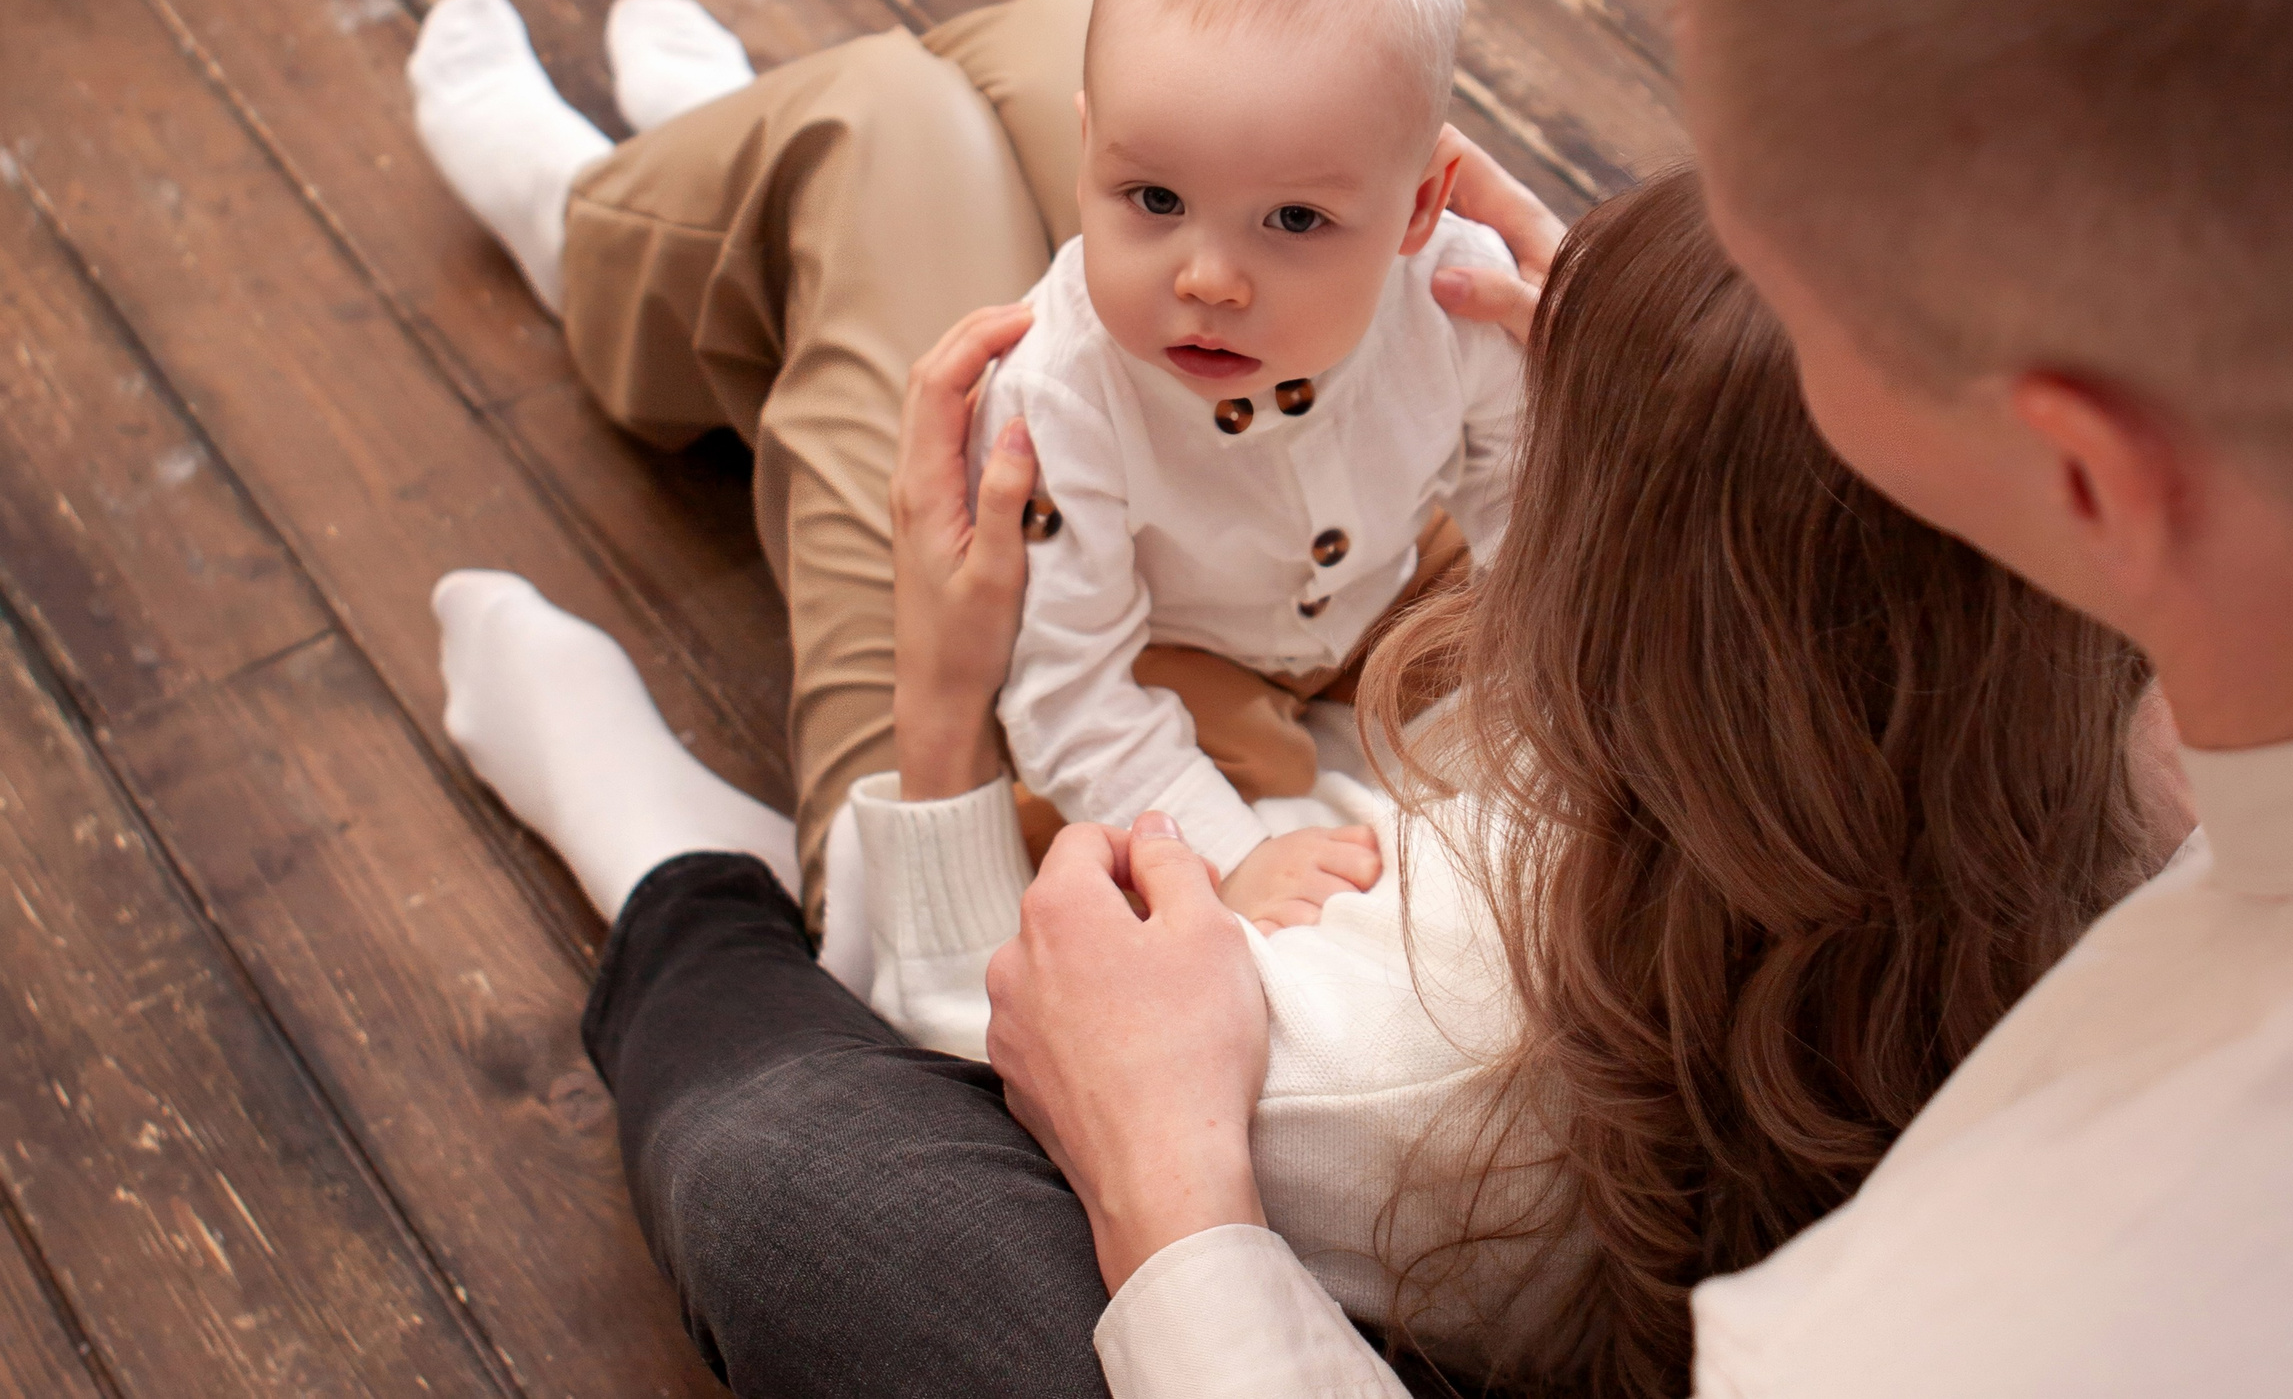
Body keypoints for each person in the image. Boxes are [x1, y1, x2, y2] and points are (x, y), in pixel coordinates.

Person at [988, 0, 2293, 1393]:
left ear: (2083, 478)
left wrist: (1178, 1208)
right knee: (1044, 47)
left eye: (1764, 276)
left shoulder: (1923, 1324)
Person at [430, 163, 2178, 1389]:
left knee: (881, 152)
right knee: (1100, 95)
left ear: (1575, 601)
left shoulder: (1378, 1055)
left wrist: (946, 688)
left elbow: (968, 996)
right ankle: (636, 229)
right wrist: (1708, 388)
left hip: (1132, 847)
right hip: (1311, 753)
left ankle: (676, 847)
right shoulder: (2147, 777)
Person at [967, 0, 1522, 890]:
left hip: (1384, 578)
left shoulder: (1457, 295)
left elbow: (1520, 480)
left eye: (1296, 219)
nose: (1211, 280)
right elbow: (1068, 689)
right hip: (1177, 657)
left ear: (1416, 206)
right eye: (1156, 201)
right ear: (1087, 153)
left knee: (1541, 630)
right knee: (1231, 775)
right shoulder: (1059, 394)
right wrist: (1237, 859)